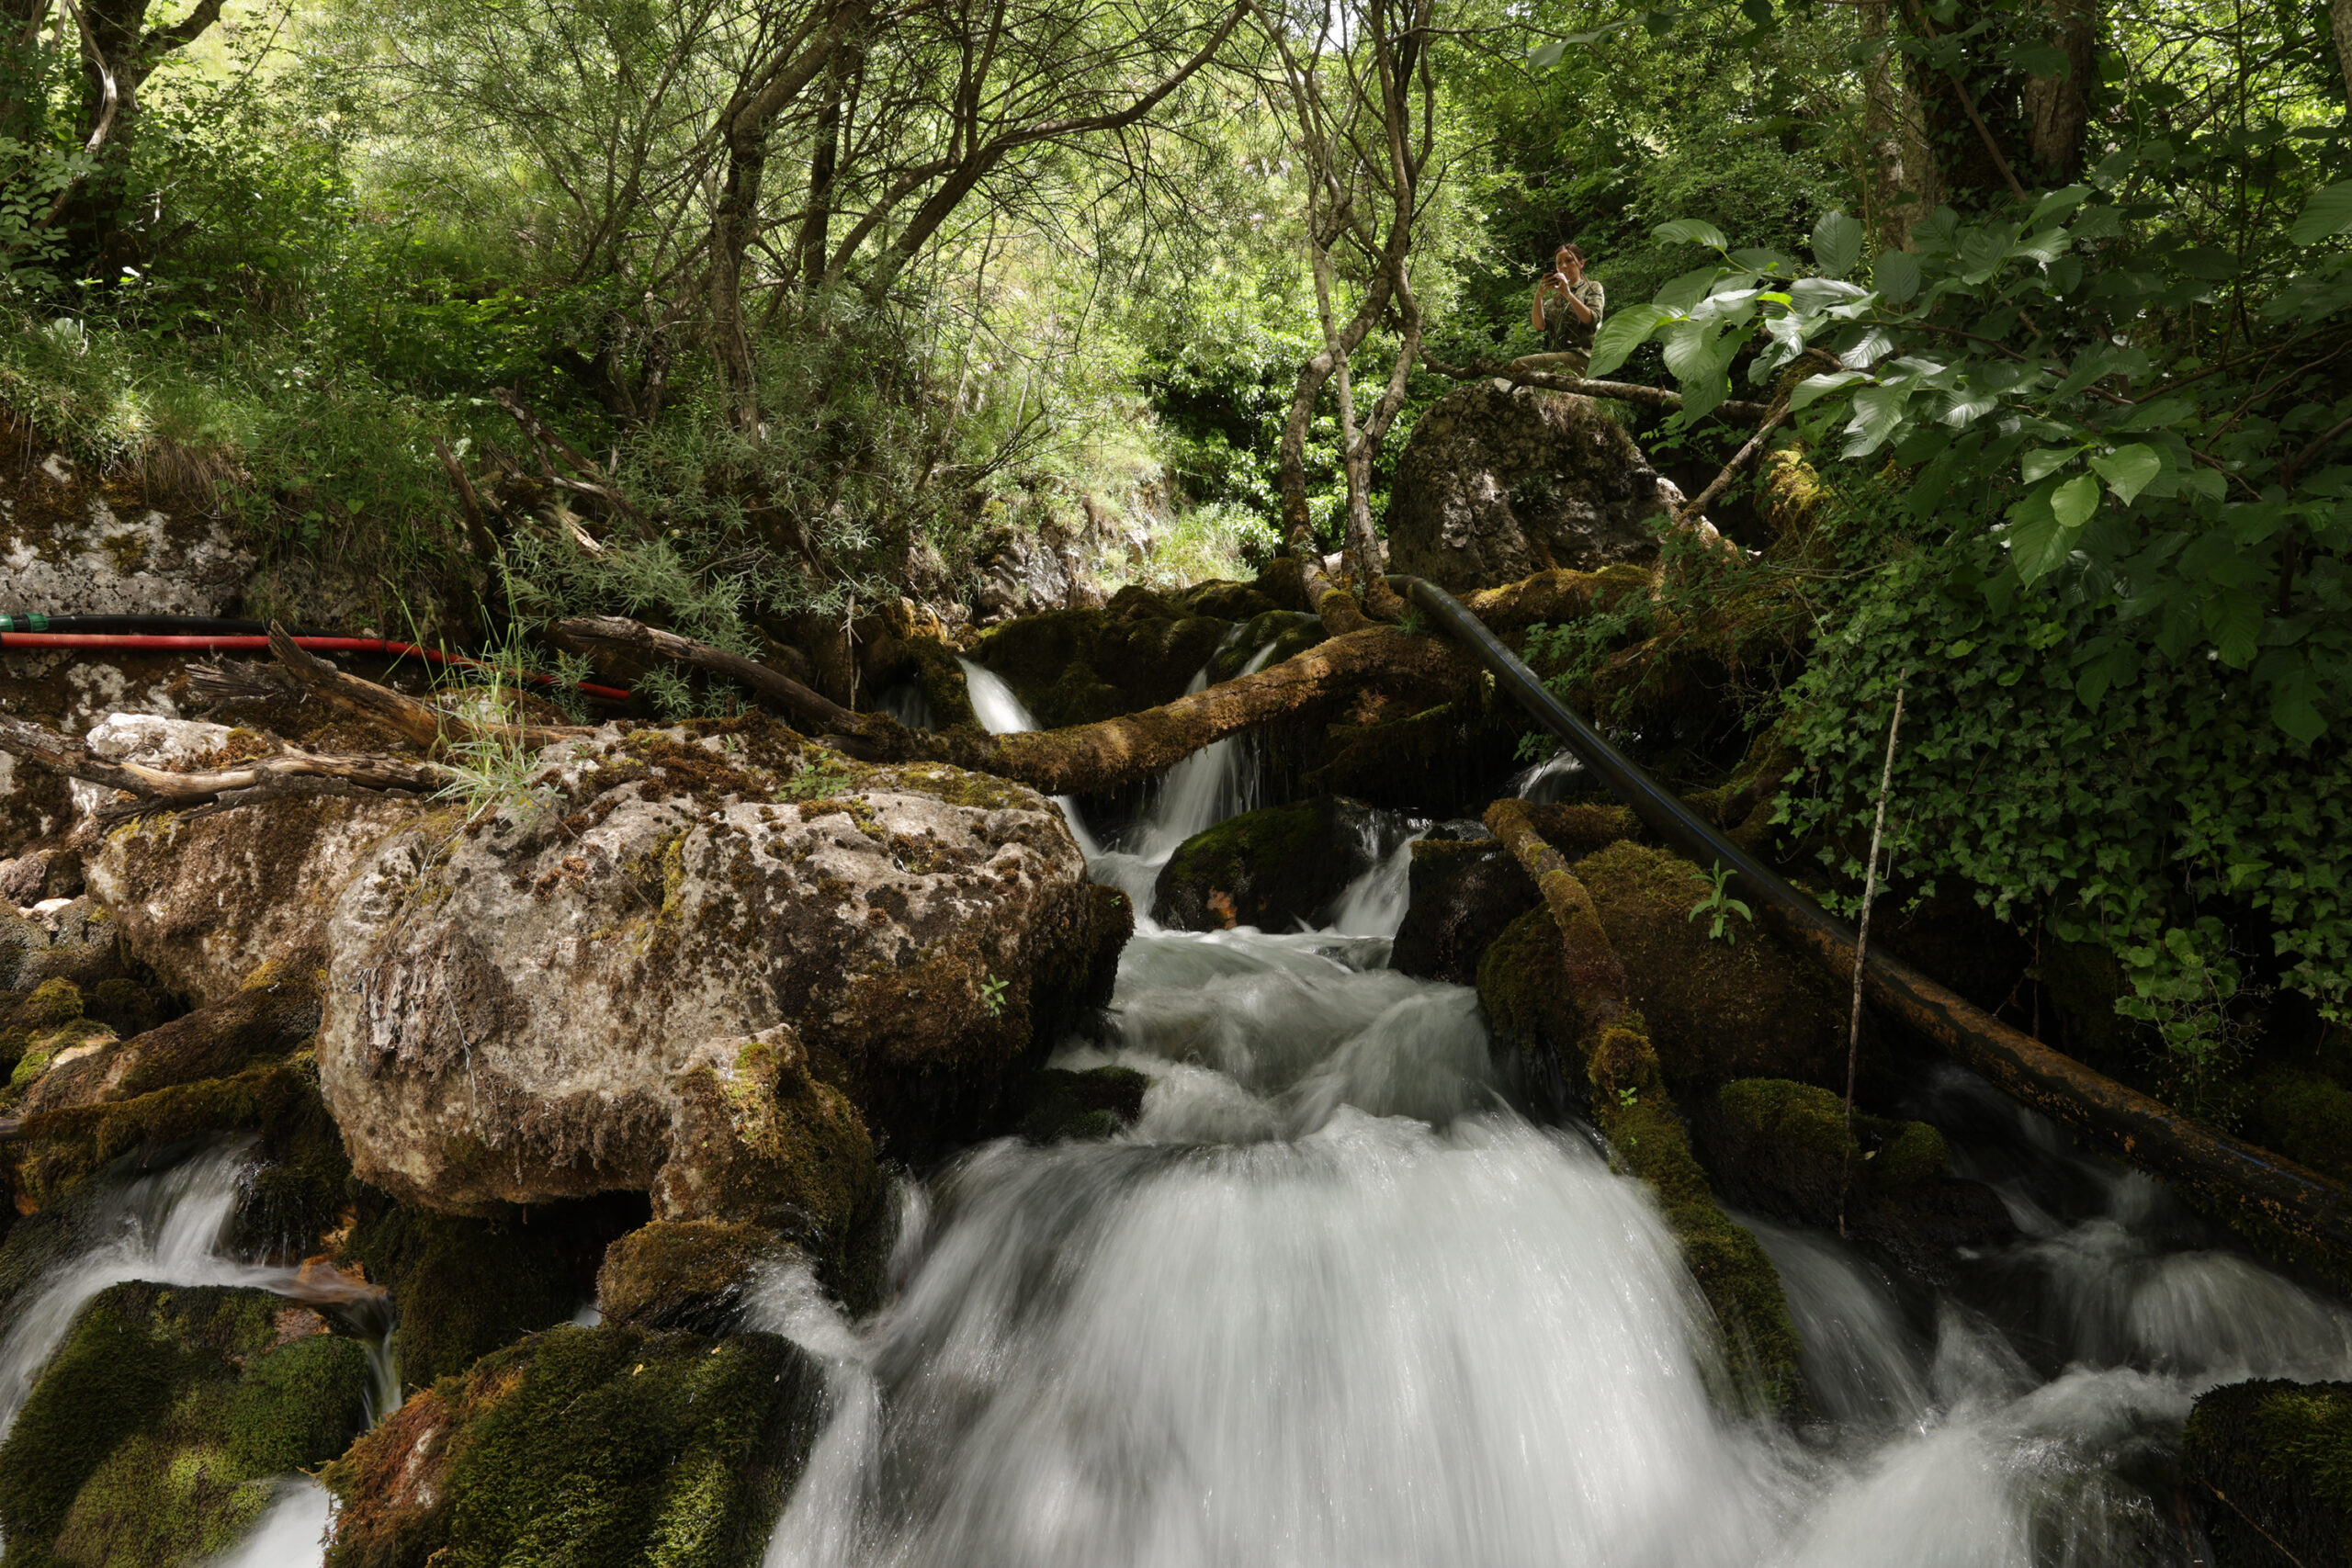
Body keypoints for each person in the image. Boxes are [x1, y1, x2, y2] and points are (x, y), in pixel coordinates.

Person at [1514, 243, 1605, 377]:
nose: (1564, 266)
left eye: (1569, 260)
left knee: (1520, 364)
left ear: (1581, 263)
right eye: (1559, 263)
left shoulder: (1592, 287)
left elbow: (1591, 319)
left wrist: (1569, 295)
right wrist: (1539, 295)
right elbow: (1539, 326)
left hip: (1584, 356)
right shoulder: (1553, 301)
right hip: (1559, 359)